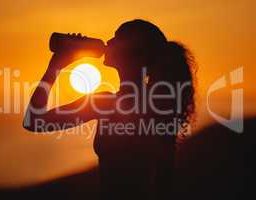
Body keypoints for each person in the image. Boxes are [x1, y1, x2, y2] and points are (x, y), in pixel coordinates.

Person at [23, 19, 196, 199]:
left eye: (118, 38)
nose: (109, 42)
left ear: (136, 55)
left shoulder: (107, 103)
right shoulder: (157, 104)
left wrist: (55, 67)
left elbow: (34, 120)